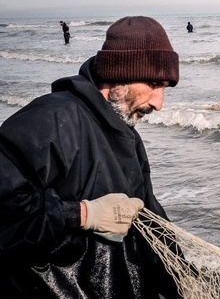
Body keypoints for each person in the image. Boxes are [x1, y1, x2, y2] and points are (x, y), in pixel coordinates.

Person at [0, 16, 181, 297]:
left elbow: (151, 220)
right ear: (118, 73)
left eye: (165, 88)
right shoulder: (50, 119)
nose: (159, 103)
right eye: (154, 83)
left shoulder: (128, 135)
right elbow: (7, 211)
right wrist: (82, 214)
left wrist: (181, 277)